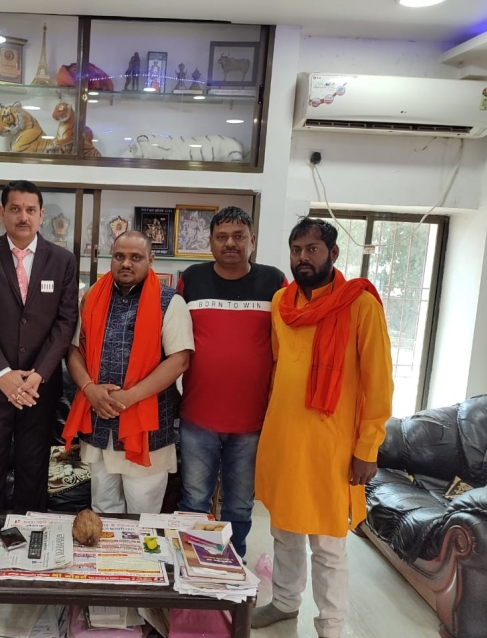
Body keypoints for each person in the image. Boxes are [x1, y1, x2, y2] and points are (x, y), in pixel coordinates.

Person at [252, 218, 393, 638]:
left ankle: (331, 625)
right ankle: (284, 602)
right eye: (296, 250)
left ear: (332, 253)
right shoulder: (281, 303)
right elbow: (278, 368)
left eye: (312, 249)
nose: (303, 258)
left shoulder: (360, 305)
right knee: (284, 532)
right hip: (285, 438)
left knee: (328, 543)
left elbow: (379, 383)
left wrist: (367, 448)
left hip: (332, 445)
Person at [176, 206, 286, 557]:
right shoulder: (191, 278)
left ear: (252, 240)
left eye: (239, 236)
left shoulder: (274, 281)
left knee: (239, 504)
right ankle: (194, 565)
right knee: (194, 500)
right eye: (221, 237)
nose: (230, 243)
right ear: (210, 242)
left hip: (252, 421)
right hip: (198, 417)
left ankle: (233, 563)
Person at [0, 180, 78, 512]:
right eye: (15, 209)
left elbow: (65, 322)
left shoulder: (63, 260)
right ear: (2, 213)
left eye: (30, 210)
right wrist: (3, 374)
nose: (23, 217)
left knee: (33, 472)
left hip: (38, 388)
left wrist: (38, 374)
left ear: (42, 215)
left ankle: (29, 538)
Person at [63, 231, 194, 514]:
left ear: (150, 259)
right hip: (99, 425)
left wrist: (129, 397)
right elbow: (73, 350)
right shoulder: (91, 298)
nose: (126, 263)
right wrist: (89, 389)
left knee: (143, 514)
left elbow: (179, 360)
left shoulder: (170, 302)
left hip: (146, 430)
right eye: (119, 256)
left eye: (136, 257)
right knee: (103, 510)